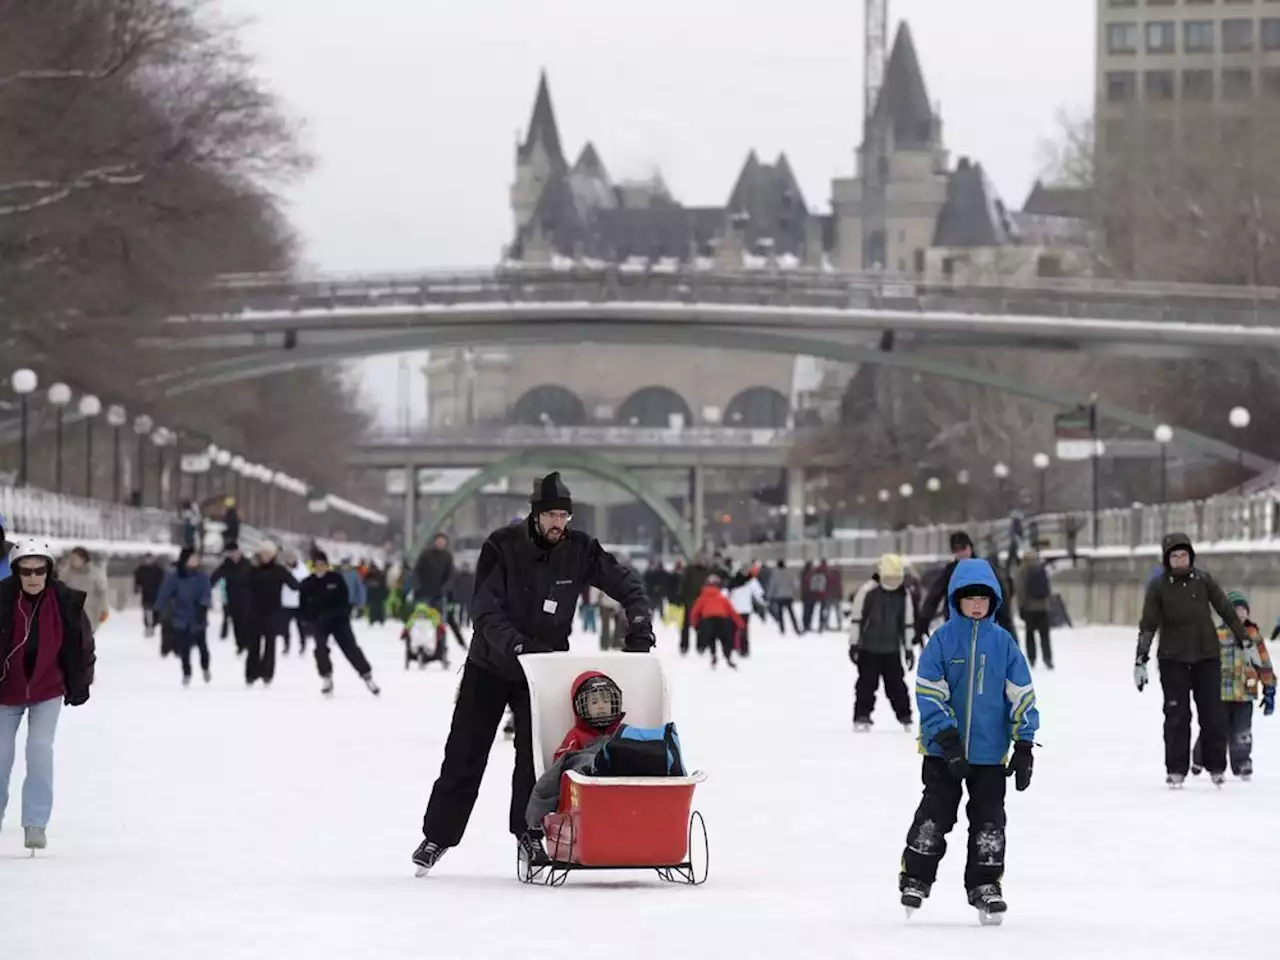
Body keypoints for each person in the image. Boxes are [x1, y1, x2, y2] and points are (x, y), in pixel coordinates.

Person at [412, 471, 653, 877]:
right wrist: (517, 645)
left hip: (544, 673)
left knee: (534, 759)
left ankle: (529, 833)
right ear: (535, 516)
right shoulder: (501, 546)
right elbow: (484, 610)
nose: (559, 523)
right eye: (552, 515)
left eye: (565, 515)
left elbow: (624, 582)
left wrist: (640, 617)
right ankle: (438, 835)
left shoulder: (580, 549)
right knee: (465, 753)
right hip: (490, 665)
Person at [899, 558, 1038, 923]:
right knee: (935, 814)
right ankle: (916, 876)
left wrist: (1024, 743)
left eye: (983, 598)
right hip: (944, 752)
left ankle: (985, 884)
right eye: (969, 598)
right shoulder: (943, 641)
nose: (976, 605)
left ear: (994, 601)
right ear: (955, 600)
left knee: (989, 823)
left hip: (990, 755)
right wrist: (947, 738)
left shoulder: (1003, 643)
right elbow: (929, 693)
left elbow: (1021, 694)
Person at [1134, 532, 1257, 788]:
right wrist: (1140, 659)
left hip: (1206, 656)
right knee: (1177, 714)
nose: (1180, 560)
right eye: (1174, 556)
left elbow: (1225, 609)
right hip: (1173, 658)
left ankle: (1216, 766)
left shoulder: (1203, 580)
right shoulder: (1158, 587)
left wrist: (1245, 640)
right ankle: (1176, 768)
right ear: (1167, 559)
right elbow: (1148, 624)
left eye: (1184, 555)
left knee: (1213, 714)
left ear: (1191, 556)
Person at [0, 538, 96, 853]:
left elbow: (83, 646)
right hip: (6, 692)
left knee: (40, 749)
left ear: (48, 571)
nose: (33, 577)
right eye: (26, 571)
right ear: (16, 573)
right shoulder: (2, 600)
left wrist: (80, 684)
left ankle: (36, 823)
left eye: (39, 570)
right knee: (0, 758)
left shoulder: (65, 602)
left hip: (47, 690)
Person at [525, 671, 625, 832]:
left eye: (606, 700)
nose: (601, 705)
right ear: (580, 706)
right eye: (594, 701)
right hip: (586, 796)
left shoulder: (623, 732)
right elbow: (561, 763)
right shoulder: (576, 735)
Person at [1191, 591, 1274, 781]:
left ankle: (1243, 763)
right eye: (1234, 610)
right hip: (1220, 692)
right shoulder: (1217, 635)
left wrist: (1269, 688)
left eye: (1242, 610)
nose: (1239, 613)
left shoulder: (1254, 636)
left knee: (1242, 731)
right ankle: (1200, 758)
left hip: (1245, 694)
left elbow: (1264, 663)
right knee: (1213, 729)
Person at [848, 554, 915, 732]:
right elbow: (857, 619)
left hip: (891, 649)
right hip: (868, 648)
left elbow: (906, 623)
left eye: (896, 578)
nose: (893, 582)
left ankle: (905, 715)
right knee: (866, 684)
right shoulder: (868, 591)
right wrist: (854, 644)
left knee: (896, 685)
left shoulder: (903, 595)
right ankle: (862, 715)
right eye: (889, 578)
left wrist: (908, 649)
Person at [300, 551, 380, 697]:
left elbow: (344, 601)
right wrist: (306, 622)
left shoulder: (336, 579)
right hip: (319, 622)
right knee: (320, 649)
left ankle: (367, 675)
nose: (320, 568)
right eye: (317, 565)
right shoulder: (307, 583)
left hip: (339, 621)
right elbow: (303, 606)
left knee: (350, 648)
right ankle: (326, 677)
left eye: (322, 565)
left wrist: (337, 613)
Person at [914, 531, 1017, 644]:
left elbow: (1000, 598)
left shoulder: (985, 569)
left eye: (963, 548)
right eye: (956, 550)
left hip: (983, 628)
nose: (961, 553)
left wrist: (1008, 631)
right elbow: (933, 597)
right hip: (957, 630)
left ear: (970, 547)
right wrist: (922, 624)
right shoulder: (950, 572)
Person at [153, 548, 213, 686]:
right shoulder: (174, 576)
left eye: (197, 558)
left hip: (198, 616)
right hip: (181, 616)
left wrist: (203, 607)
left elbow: (206, 593)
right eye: (192, 558)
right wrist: (157, 609)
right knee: (184, 648)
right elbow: (164, 593)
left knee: (202, 646)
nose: (196, 560)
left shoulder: (202, 577)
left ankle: (205, 668)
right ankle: (186, 673)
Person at [245, 542, 300, 687]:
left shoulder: (279, 570)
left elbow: (295, 585)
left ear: (274, 555)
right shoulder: (252, 570)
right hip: (255, 612)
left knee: (270, 644)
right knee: (254, 645)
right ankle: (251, 674)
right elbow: (243, 588)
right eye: (263, 553)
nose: (266, 556)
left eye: (269, 554)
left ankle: (267, 674)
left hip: (273, 612)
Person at [689, 573, 743, 669]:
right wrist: (740, 623)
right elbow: (732, 611)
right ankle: (728, 657)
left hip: (708, 620)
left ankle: (713, 655)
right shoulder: (722, 598)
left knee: (711, 639)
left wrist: (694, 624)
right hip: (722, 620)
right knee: (725, 639)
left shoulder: (702, 598)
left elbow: (694, 612)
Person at [1014, 547, 1054, 669]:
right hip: (1043, 608)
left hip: (1029, 608)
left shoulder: (1022, 570)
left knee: (1030, 634)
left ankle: (1032, 659)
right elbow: (1048, 589)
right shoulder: (1041, 568)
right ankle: (1048, 659)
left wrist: (1020, 607)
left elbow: (1020, 590)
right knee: (1045, 635)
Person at [210, 542, 253, 653]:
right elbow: (214, 577)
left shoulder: (247, 564)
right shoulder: (226, 566)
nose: (234, 555)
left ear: (239, 552)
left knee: (246, 622)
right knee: (236, 622)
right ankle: (240, 644)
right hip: (232, 598)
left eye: (235, 552)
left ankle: (247, 643)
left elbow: (256, 579)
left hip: (246, 598)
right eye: (231, 553)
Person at [59, 547, 109, 633]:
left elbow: (102, 592)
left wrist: (104, 609)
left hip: (89, 613)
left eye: (75, 558)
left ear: (83, 559)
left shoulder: (94, 573)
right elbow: (59, 589)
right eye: (71, 558)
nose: (72, 561)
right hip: (69, 614)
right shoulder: (66, 573)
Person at [133, 554, 165, 640]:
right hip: (146, 594)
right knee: (147, 610)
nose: (148, 561)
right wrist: (136, 588)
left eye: (150, 559)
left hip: (156, 594)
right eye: (147, 559)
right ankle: (148, 626)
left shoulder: (158, 569)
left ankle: (153, 625)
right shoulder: (141, 569)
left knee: (156, 612)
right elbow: (137, 580)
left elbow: (163, 580)